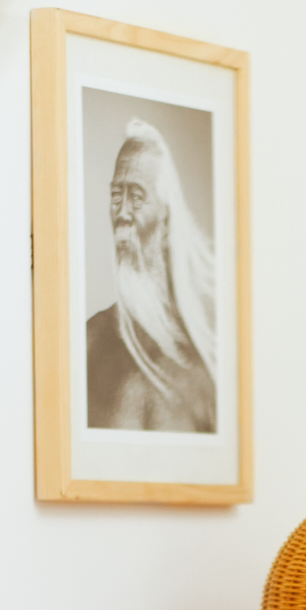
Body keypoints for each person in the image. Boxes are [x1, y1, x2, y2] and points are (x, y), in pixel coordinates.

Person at [85, 118, 218, 433]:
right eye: (116, 195)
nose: (122, 212)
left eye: (136, 197)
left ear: (166, 219)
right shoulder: (88, 341)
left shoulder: (205, 364)